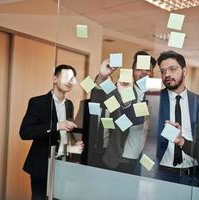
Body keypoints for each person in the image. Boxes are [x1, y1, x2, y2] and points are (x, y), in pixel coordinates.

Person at [19, 64, 84, 200]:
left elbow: (65, 134)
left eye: (72, 79)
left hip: (62, 165)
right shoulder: (37, 102)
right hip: (41, 165)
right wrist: (56, 125)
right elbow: (25, 132)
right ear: (55, 79)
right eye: (66, 77)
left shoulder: (69, 104)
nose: (69, 81)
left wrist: (73, 147)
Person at [88, 51, 157, 175]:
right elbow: (98, 98)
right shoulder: (120, 90)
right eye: (139, 69)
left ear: (152, 73)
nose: (144, 72)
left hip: (142, 163)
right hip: (119, 159)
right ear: (132, 71)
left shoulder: (156, 97)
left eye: (148, 69)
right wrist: (102, 77)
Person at [156, 50, 199, 185]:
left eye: (172, 69)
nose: (166, 74)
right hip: (163, 175)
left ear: (184, 72)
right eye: (163, 71)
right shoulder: (155, 99)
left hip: (193, 176)